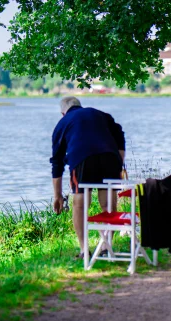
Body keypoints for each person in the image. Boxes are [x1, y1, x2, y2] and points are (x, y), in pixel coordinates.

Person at [50, 96, 126, 259]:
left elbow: (57, 163)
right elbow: (119, 134)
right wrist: (119, 163)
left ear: (63, 113)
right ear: (80, 106)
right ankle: (106, 247)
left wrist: (57, 196)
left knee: (80, 205)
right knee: (108, 206)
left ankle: (85, 250)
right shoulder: (101, 114)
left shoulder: (62, 123)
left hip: (82, 160)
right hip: (109, 158)